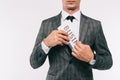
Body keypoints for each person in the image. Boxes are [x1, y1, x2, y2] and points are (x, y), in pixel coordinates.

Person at [30, 0, 113, 80]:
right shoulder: (47, 24)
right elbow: (34, 63)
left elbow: (108, 62)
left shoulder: (95, 25)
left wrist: (92, 58)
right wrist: (46, 43)